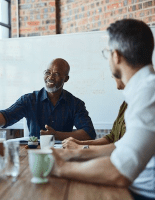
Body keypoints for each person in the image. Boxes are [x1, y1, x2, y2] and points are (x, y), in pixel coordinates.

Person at [50, 19, 155, 200]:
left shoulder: (148, 94)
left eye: (107, 53)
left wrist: (59, 167)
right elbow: (120, 147)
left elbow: (118, 172)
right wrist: (73, 153)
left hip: (140, 194)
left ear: (116, 55)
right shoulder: (143, 90)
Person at [0, 58, 96, 141]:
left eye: (57, 74)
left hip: (63, 152)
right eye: (47, 72)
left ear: (66, 79)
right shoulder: (29, 99)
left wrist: (57, 135)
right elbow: (7, 115)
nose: (50, 77)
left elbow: (89, 133)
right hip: (34, 151)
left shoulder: (75, 104)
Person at [62, 77, 127, 149]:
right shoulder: (125, 103)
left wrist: (81, 147)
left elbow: (124, 149)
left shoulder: (139, 104)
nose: (112, 76)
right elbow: (111, 138)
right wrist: (79, 143)